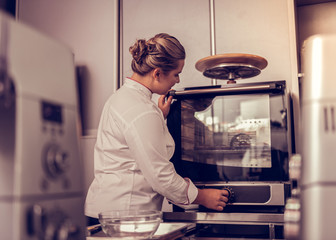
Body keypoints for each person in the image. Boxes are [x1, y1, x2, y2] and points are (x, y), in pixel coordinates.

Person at [84, 33, 229, 225]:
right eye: (176, 74)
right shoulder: (142, 111)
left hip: (107, 211)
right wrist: (202, 197)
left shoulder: (122, 98)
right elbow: (160, 175)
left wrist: (159, 117)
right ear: (157, 73)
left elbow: (130, 148)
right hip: (123, 218)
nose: (177, 80)